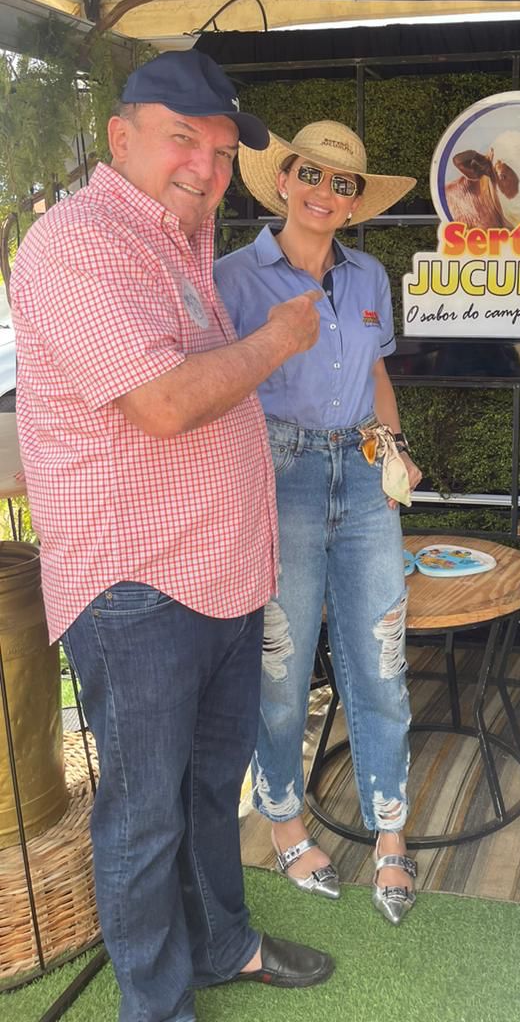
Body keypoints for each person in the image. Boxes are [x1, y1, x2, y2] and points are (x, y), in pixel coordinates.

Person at [11, 51, 336, 1022]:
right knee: (144, 818)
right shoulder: (78, 245)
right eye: (183, 139)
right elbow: (158, 404)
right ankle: (154, 1005)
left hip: (221, 575)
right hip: (137, 590)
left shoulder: (182, 241)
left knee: (206, 793)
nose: (205, 164)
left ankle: (224, 943)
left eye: (223, 148)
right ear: (122, 137)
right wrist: (279, 337)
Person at [214, 120, 423, 925]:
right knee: (282, 665)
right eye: (312, 175)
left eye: (343, 184)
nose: (325, 194)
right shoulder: (233, 278)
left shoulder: (369, 275)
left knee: (381, 657)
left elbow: (374, 375)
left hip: (366, 474)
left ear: (355, 201)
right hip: (276, 473)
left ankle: (391, 835)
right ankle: (285, 821)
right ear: (285, 178)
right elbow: (214, 388)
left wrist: (395, 457)